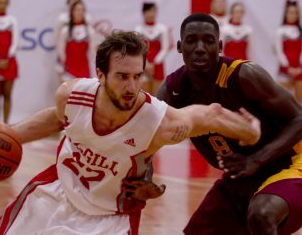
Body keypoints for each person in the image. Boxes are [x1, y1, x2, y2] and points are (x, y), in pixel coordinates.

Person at [0, 30, 261, 235]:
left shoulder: (158, 122)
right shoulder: (72, 95)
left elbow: (206, 115)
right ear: (99, 75)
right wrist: (6, 138)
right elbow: (56, 119)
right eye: (122, 76)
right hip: (54, 195)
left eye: (137, 76)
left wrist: (250, 131)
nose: (131, 86)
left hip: (110, 218)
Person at [125, 13, 302, 234]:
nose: (200, 48)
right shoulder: (173, 90)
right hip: (241, 173)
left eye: (208, 41)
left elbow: (299, 118)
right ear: (180, 47)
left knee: (262, 214)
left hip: (289, 163)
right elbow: (148, 139)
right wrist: (146, 179)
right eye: (191, 41)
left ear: (219, 46)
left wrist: (256, 159)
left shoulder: (244, 75)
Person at [134, 2, 170, 95]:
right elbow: (137, 49)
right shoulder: (138, 30)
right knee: (143, 95)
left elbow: (165, 48)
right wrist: (146, 64)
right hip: (143, 65)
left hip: (158, 65)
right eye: (148, 11)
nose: (151, 14)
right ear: (143, 13)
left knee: (158, 96)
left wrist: (155, 63)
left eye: (153, 11)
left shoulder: (162, 29)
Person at [57, 1, 96, 82]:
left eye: (82, 10)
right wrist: (60, 71)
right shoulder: (65, 30)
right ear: (72, 12)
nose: (80, 12)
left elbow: (93, 53)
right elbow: (60, 52)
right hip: (68, 72)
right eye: (77, 10)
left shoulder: (90, 30)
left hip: (84, 72)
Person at [274, 0, 302, 103]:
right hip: (285, 70)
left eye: (295, 13)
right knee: (283, 101)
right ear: (286, 14)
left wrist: (299, 67)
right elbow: (279, 52)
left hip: (299, 70)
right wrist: (287, 68)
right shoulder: (280, 31)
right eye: (291, 12)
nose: (293, 15)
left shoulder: (300, 31)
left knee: (300, 101)